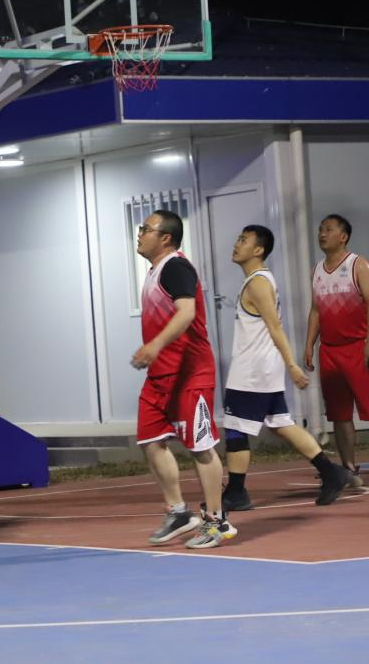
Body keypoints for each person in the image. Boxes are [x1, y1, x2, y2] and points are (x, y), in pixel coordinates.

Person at [223, 224, 352, 514]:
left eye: (243, 240)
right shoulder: (259, 280)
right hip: (263, 368)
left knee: (235, 428)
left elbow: (275, 327)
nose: (237, 244)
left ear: (258, 250)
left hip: (252, 371)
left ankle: (236, 492)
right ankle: (331, 472)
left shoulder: (258, 283)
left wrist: (292, 365)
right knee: (281, 424)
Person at [133, 209, 234, 549]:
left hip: (190, 374)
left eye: (146, 229)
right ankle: (179, 513)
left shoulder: (176, 267)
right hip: (159, 376)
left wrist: (155, 344)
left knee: (200, 448)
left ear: (165, 238)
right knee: (150, 441)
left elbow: (187, 312)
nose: (139, 233)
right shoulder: (154, 271)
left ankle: (217, 522)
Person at [303, 214, 369, 487]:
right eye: (320, 229)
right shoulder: (317, 271)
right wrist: (309, 344)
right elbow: (315, 311)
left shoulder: (359, 266)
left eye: (328, 229)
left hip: (358, 349)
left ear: (343, 236)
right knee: (339, 415)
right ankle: (349, 469)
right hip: (330, 352)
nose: (322, 234)